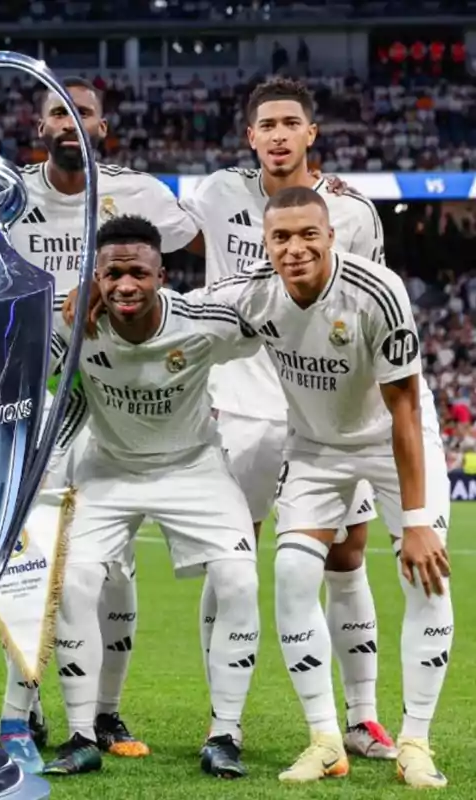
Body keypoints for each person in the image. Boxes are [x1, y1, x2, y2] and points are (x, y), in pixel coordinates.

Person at [190, 187, 451, 788]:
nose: (295, 247)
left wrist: (414, 522)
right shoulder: (254, 291)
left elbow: (406, 408)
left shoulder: (378, 291)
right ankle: (325, 739)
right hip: (313, 447)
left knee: (426, 572)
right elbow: (179, 310)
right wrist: (104, 293)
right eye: (281, 237)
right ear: (265, 242)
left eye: (309, 233)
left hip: (392, 438)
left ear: (332, 235)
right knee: (291, 575)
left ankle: (416, 740)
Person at [179, 77, 395, 758]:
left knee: (347, 555)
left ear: (311, 133)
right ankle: (224, 725)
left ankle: (361, 718)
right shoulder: (215, 194)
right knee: (230, 562)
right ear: (250, 137)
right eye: (265, 124)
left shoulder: (353, 213)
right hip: (238, 407)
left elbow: (370, 310)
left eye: (289, 123)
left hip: (325, 409)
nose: (277, 135)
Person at [0, 76, 200, 772]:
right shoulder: (8, 196)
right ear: (40, 123)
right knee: (32, 562)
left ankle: (105, 713)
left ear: (103, 126)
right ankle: (18, 713)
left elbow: (191, 242)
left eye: (82, 112)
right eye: (58, 112)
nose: (70, 123)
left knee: (110, 569)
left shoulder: (140, 194)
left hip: (111, 400)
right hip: (31, 400)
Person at [40, 215, 260, 779]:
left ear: (162, 275)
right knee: (77, 583)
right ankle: (82, 734)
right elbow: (52, 389)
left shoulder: (203, 324)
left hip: (194, 466)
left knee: (239, 580)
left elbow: (267, 319)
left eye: (138, 272)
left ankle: (225, 734)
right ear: (95, 277)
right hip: (108, 468)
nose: (125, 285)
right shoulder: (73, 326)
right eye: (112, 273)